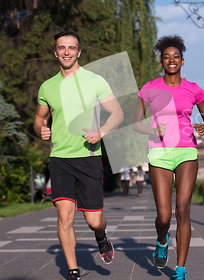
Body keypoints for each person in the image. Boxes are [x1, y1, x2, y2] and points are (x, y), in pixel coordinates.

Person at [34, 31, 124, 280]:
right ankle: (73, 270)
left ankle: (101, 236)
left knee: (94, 221)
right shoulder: (47, 87)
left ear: (79, 52)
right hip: (60, 158)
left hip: (89, 157)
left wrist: (101, 131)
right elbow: (39, 118)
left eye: (71, 48)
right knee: (64, 215)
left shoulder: (95, 80)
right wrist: (40, 129)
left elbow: (117, 113)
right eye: (61, 48)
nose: (66, 52)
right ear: (55, 52)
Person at [132, 34, 204, 280]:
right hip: (159, 152)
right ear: (161, 62)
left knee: (183, 209)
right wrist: (152, 130)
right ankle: (161, 239)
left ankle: (180, 269)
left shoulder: (194, 89)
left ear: (182, 61)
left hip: (187, 150)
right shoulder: (149, 88)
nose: (171, 60)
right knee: (164, 215)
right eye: (166, 57)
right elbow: (136, 124)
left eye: (175, 57)